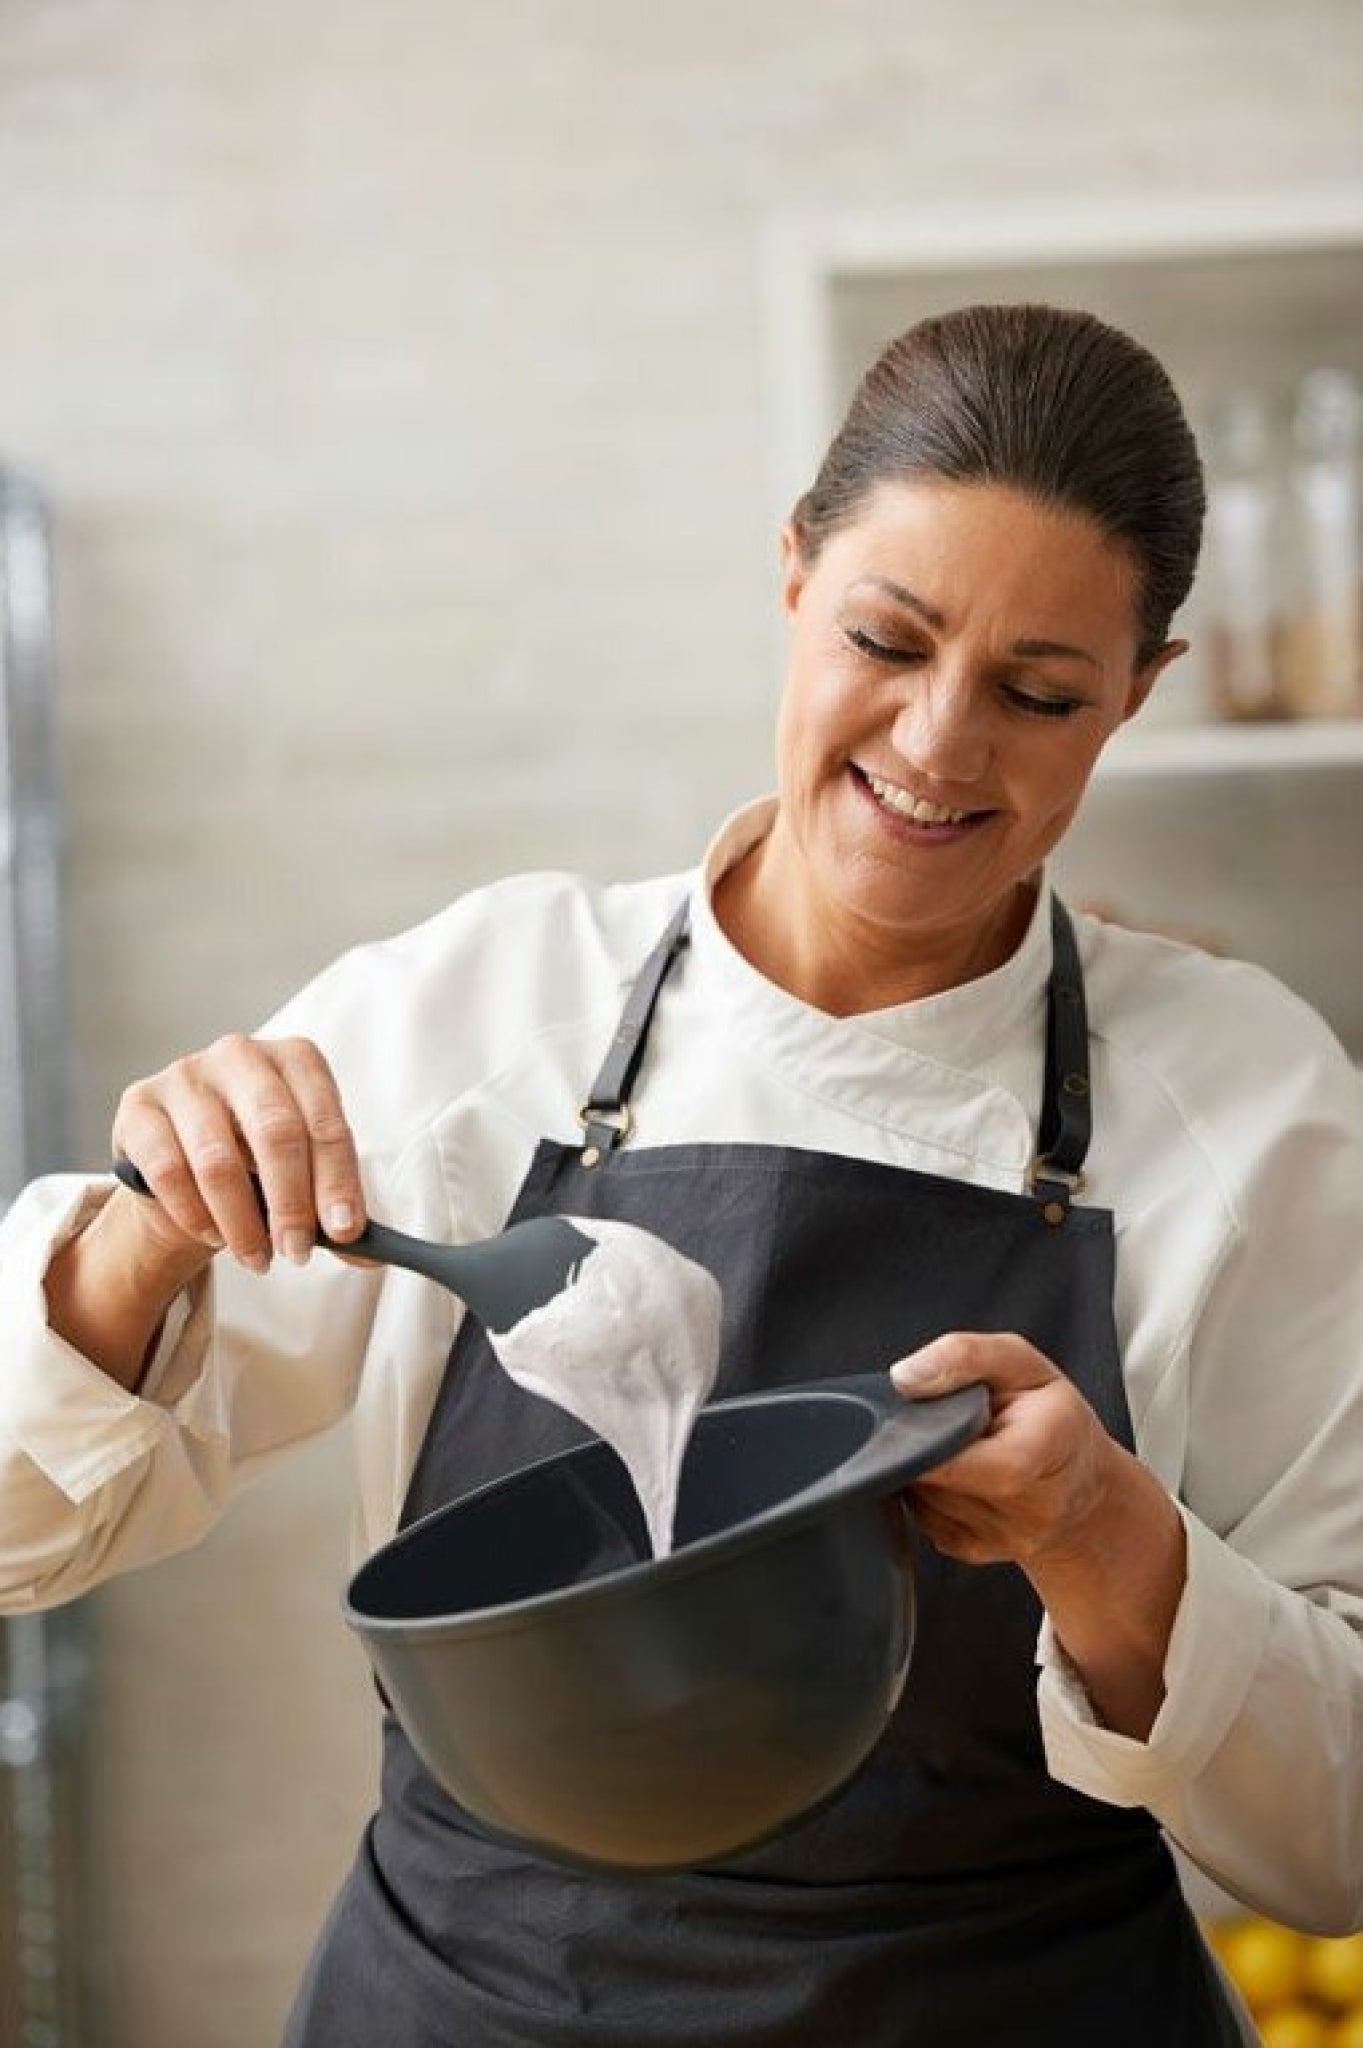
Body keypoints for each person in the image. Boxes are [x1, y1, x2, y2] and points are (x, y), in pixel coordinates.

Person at [2, 302, 1360, 2048]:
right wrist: (139, 1240)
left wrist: (1105, 1538)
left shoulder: (1251, 1114)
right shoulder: (483, 1016)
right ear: (793, 576)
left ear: (1143, 695)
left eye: (1039, 694)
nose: (942, 745)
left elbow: (1333, 1847)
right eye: (887, 636)